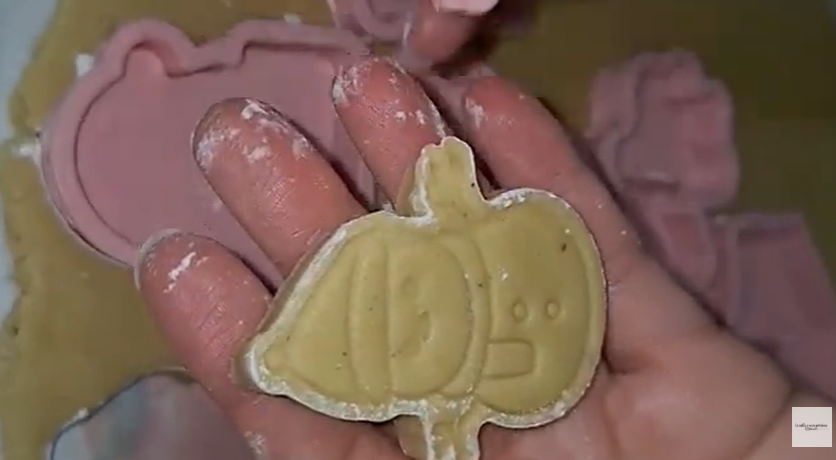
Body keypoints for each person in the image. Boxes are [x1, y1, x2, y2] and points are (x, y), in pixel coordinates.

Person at [134, 57, 834, 459]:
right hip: (395, 295)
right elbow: (802, 432)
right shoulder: (800, 433)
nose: (535, 314)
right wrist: (795, 433)